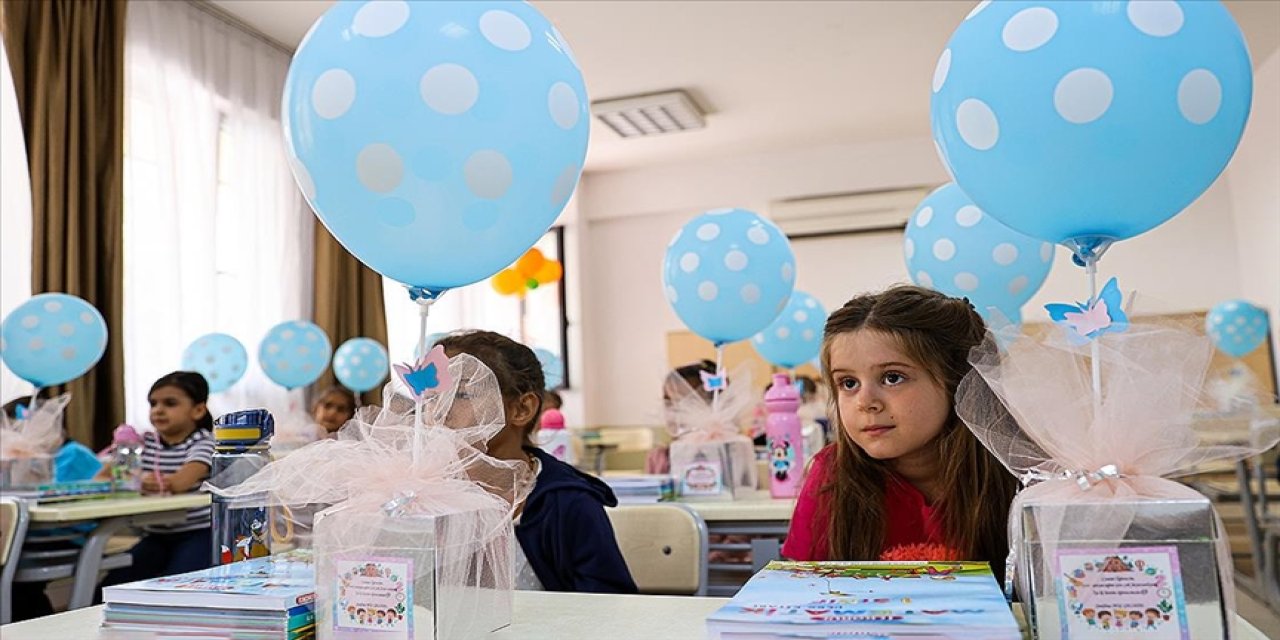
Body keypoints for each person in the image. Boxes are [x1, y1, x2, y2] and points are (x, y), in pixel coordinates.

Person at [782, 286, 1019, 582]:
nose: (865, 402)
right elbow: (801, 591)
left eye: (892, 377)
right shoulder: (831, 475)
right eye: (848, 383)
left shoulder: (1021, 476)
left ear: (959, 381)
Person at [435, 331, 637, 593]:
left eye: (461, 394)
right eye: (434, 395)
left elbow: (612, 604)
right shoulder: (421, 494)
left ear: (522, 409)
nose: (441, 408)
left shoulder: (567, 503)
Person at [100, 371, 216, 588]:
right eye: (153, 404)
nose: (158, 410)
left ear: (198, 410)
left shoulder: (204, 443)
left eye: (170, 403)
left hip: (199, 533)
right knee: (111, 587)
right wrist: (123, 452)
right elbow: (101, 478)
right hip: (157, 535)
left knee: (177, 587)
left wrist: (139, 480)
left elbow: (179, 483)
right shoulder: (145, 443)